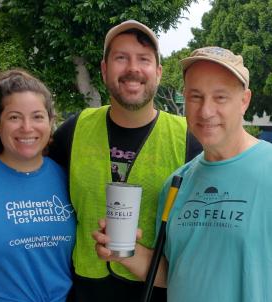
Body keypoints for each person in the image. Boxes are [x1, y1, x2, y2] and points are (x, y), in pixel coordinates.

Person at [93, 46, 272, 301]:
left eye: (220, 97)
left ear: (244, 100)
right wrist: (124, 250)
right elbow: (173, 272)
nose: (206, 111)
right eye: (195, 96)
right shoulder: (177, 183)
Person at [49, 19, 201, 302]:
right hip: (84, 292)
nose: (133, 68)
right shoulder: (73, 130)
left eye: (143, 59)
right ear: (104, 70)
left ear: (158, 71)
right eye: (121, 58)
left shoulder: (189, 139)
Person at [0, 69, 76, 301]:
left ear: (51, 121)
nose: (27, 127)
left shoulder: (68, 179)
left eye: (37, 116)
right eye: (14, 117)